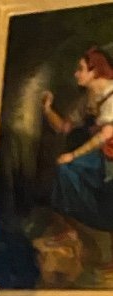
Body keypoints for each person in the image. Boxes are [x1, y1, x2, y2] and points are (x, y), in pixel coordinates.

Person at [42, 44, 113, 232]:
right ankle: (71, 223)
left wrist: (73, 156)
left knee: (69, 166)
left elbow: (105, 135)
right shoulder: (87, 99)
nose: (76, 74)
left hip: (109, 154)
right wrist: (48, 109)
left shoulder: (112, 96)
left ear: (95, 72)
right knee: (65, 170)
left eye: (81, 69)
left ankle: (98, 223)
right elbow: (64, 127)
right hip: (102, 153)